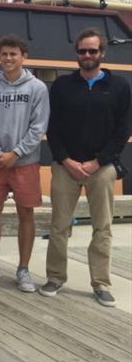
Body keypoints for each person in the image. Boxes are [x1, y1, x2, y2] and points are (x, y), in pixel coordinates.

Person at [41, 28, 131, 307]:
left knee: (102, 227)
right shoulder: (63, 86)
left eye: (93, 51)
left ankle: (101, 283)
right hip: (66, 165)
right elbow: (52, 127)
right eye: (83, 51)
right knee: (58, 225)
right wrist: (66, 160)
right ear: (77, 54)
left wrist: (98, 161)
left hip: (101, 168)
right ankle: (55, 277)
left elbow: (123, 130)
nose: (88, 55)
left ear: (102, 53)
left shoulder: (120, 87)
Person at [0, 35, 49, 292]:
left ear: (24, 56)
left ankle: (23, 270)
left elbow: (39, 126)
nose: (8, 58)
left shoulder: (37, 88)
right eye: (4, 54)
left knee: (25, 214)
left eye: (13, 54)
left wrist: (16, 153)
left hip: (25, 162)